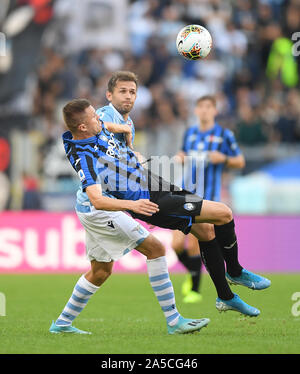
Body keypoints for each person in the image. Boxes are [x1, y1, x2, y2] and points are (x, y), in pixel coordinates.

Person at [50, 97, 271, 337]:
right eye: (94, 117)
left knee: (102, 270)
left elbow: (107, 126)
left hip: (151, 184)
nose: (99, 118)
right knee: (216, 217)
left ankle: (61, 324)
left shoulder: (90, 128)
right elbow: (97, 199)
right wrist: (133, 204)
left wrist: (125, 132)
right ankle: (224, 280)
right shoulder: (85, 156)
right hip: (122, 206)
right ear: (82, 127)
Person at [172, 95, 245, 304]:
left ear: (215, 110)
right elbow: (182, 153)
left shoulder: (224, 135)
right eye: (200, 107)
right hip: (185, 193)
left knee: (195, 243)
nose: (204, 111)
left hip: (208, 197)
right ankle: (194, 273)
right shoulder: (190, 133)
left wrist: (224, 159)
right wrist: (180, 157)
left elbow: (240, 161)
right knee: (176, 244)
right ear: (196, 110)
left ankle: (194, 290)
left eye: (208, 107)